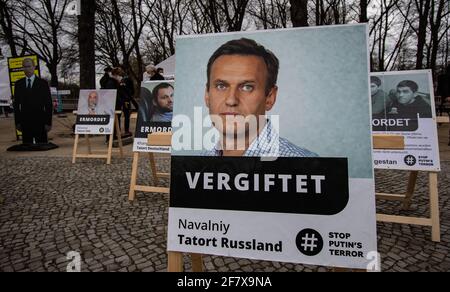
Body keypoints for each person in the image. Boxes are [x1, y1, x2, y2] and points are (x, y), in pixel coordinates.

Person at [202, 38, 317, 157]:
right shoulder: (194, 168)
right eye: (221, 86)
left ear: (270, 98)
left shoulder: (305, 166)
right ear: (207, 95)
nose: (231, 100)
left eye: (247, 87)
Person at [13, 58, 53, 144]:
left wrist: (48, 122)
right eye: (24, 67)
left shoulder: (43, 84)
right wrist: (17, 122)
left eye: (29, 66)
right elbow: (16, 105)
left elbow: (48, 104)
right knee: (27, 148)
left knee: (42, 148)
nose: (27, 69)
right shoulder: (18, 84)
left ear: (34, 67)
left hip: (40, 121)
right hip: (25, 122)